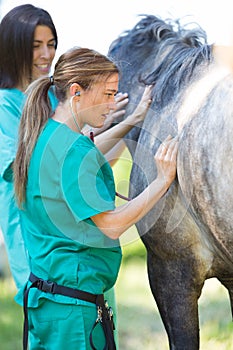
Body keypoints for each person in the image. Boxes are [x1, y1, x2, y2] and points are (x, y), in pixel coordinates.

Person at [13, 46, 178, 350]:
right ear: (76, 92)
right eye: (107, 94)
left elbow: (85, 161)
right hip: (74, 313)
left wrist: (133, 119)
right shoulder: (73, 151)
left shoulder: (44, 135)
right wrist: (161, 181)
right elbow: (111, 226)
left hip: (49, 304)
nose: (112, 104)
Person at [0, 5, 127, 347]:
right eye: (35, 45)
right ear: (12, 48)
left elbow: (79, 177)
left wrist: (123, 123)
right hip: (44, 255)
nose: (45, 54)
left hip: (77, 255)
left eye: (51, 43)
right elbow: (56, 173)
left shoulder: (47, 102)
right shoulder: (7, 107)